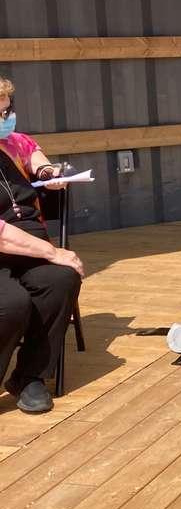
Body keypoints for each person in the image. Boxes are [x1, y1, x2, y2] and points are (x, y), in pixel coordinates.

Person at [0, 77, 84, 414]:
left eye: (7, 110)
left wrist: (50, 175)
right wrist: (54, 252)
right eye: (1, 112)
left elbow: (37, 161)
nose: (7, 117)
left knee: (61, 280)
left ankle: (28, 376)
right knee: (12, 302)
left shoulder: (14, 141)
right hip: (9, 243)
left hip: (28, 244)